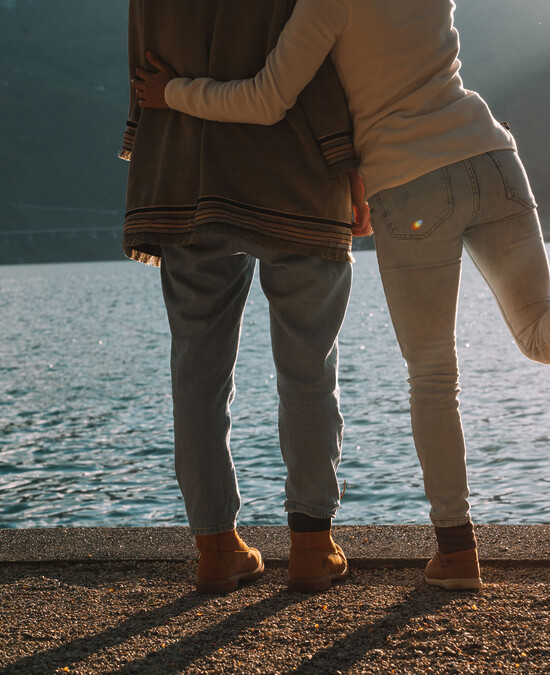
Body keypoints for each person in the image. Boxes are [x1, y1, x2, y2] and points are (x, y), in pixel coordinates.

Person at [134, 0, 550, 590]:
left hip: (399, 183)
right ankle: (314, 546)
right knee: (538, 331)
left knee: (429, 373)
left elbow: (268, 95)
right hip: (491, 156)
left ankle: (452, 555)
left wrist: (172, 94)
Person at [122, 0, 371, 594]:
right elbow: (322, 73)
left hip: (186, 176)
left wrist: (146, 140)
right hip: (297, 180)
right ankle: (312, 545)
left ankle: (216, 548)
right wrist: (350, 167)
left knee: (197, 375)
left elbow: (144, 74)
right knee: (310, 369)